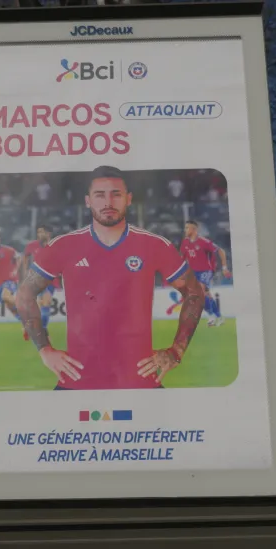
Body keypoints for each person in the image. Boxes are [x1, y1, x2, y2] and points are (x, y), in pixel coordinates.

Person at [16, 166, 206, 390]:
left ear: (128, 199)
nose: (108, 202)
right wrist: (45, 350)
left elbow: (194, 292)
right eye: (100, 195)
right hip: (76, 382)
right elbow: (24, 294)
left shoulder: (155, 245)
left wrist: (177, 351)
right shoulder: (63, 246)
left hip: (140, 382)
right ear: (88, 201)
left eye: (116, 194)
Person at [179, 220, 231, 327]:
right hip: (194, 273)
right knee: (207, 295)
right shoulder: (185, 242)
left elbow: (221, 251)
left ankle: (211, 316)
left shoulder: (204, 242)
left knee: (201, 290)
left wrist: (224, 267)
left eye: (187, 228)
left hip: (206, 271)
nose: (185, 230)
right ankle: (219, 316)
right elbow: (182, 258)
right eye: (185, 228)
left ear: (194, 229)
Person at [21, 225, 61, 340]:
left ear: (48, 234)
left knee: (46, 304)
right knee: (41, 306)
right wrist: (25, 273)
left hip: (51, 281)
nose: (39, 234)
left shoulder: (56, 246)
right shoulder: (32, 245)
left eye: (42, 232)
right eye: (38, 232)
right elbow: (25, 257)